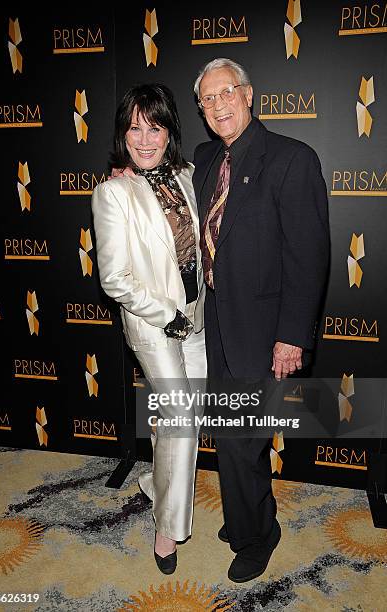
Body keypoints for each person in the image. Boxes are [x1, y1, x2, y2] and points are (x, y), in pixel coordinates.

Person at [193, 58, 330, 582]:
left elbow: (308, 255)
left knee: (242, 437)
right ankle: (245, 514)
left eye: (225, 93)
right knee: (229, 432)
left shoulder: (292, 159)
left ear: (248, 94)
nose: (217, 105)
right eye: (207, 99)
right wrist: (127, 172)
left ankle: (256, 538)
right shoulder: (206, 158)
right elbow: (164, 182)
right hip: (214, 327)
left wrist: (291, 336)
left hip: (262, 330)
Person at [91, 83, 207, 575]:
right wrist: (169, 315)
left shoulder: (186, 175)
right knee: (179, 422)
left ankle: (154, 484)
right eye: (134, 128)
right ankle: (167, 526)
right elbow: (114, 278)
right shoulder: (113, 192)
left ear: (169, 132)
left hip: (199, 314)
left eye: (154, 127)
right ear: (122, 134)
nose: (143, 138)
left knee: (187, 420)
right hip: (155, 324)